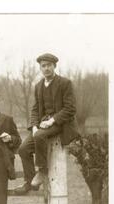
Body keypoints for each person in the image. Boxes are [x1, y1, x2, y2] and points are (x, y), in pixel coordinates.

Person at [15, 53, 79, 195]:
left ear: (54, 66)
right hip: (42, 125)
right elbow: (35, 108)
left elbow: (70, 109)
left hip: (60, 124)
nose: (46, 69)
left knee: (39, 136)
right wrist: (34, 126)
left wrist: (51, 121)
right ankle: (29, 181)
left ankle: (42, 171)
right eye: (43, 66)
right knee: (23, 149)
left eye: (49, 65)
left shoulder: (65, 83)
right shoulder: (38, 86)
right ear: (40, 68)